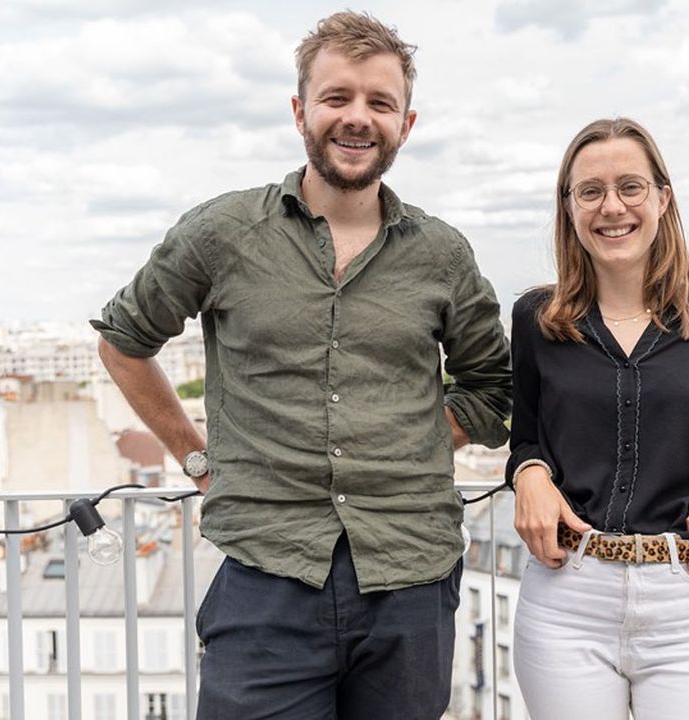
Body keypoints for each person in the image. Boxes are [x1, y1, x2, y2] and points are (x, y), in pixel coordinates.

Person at [92, 12, 511, 719]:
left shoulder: (442, 254)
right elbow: (123, 340)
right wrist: (194, 457)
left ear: (406, 124)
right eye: (337, 97)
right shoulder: (222, 233)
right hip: (266, 578)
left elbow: (493, 387)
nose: (358, 118)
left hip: (410, 578)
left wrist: (416, 440)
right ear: (299, 111)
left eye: (380, 102)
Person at [506, 117, 689, 719]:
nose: (611, 207)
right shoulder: (536, 320)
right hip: (566, 595)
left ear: (662, 199)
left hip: (687, 597)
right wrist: (529, 473)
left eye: (630, 186)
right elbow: (526, 438)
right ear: (568, 207)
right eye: (590, 191)